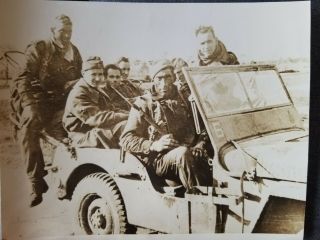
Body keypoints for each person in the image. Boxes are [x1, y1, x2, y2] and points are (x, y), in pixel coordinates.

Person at [10, 14, 82, 207]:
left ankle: (67, 179)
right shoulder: (39, 48)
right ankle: (36, 182)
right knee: (30, 124)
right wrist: (29, 105)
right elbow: (22, 79)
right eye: (62, 31)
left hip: (60, 101)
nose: (66, 36)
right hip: (35, 98)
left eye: (69, 31)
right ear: (52, 31)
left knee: (79, 127)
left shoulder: (74, 52)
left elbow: (80, 79)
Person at [120, 60, 211, 193]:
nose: (163, 83)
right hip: (159, 159)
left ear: (173, 78)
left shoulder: (185, 98)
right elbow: (126, 139)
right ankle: (201, 202)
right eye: (159, 78)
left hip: (191, 149)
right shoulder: (144, 104)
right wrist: (154, 145)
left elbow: (204, 125)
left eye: (167, 77)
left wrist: (200, 143)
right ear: (153, 80)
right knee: (182, 154)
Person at [63, 57, 128, 149]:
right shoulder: (79, 93)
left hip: (95, 130)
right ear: (83, 73)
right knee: (125, 127)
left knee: (132, 125)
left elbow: (111, 109)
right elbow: (97, 118)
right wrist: (127, 116)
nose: (97, 78)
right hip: (82, 136)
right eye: (93, 74)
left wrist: (131, 114)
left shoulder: (94, 88)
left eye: (100, 74)